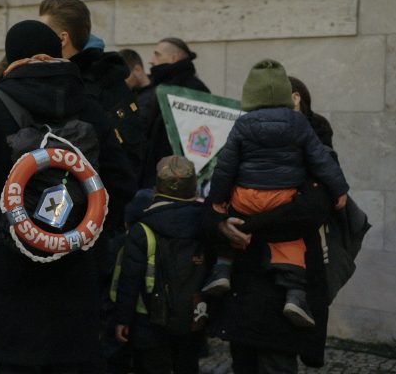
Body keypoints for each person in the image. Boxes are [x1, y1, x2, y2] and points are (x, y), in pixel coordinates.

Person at [0, 20, 136, 373]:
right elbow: (122, 181)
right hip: (75, 272)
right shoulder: (89, 106)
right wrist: (89, 231)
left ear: (12, 58)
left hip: (6, 270)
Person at [204, 59, 349, 328]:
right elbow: (321, 160)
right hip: (283, 196)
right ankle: (294, 294)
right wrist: (339, 190)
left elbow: (225, 167)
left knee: (231, 227)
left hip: (246, 198)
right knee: (291, 241)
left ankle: (222, 268)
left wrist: (218, 202)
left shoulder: (243, 125)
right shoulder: (298, 123)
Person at [114, 155, 205, 374]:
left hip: (149, 320)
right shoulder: (206, 224)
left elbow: (130, 278)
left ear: (158, 188)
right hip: (193, 316)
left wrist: (122, 319)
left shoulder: (142, 229)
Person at [39, 0, 143, 177]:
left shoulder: (88, 87)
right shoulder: (72, 81)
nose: (35, 38)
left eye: (41, 32)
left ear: (62, 39)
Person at [140, 38, 210, 189]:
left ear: (174, 58)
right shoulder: (157, 88)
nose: (151, 61)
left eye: (157, 55)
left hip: (178, 180)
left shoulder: (195, 91)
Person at [119, 48, 154, 133]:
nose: (122, 81)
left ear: (137, 70)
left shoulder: (156, 94)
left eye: (124, 76)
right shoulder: (128, 92)